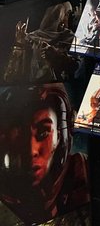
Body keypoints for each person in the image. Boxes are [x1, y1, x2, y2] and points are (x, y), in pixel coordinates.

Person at [0, 86, 90, 224]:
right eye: (20, 136)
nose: (32, 151)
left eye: (43, 132)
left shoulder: (81, 175)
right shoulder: (7, 192)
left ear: (59, 136)